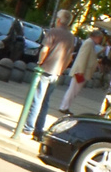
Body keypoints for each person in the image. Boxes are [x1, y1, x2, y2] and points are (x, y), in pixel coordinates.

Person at [26, 9, 76, 139]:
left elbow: (45, 49)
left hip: (46, 69)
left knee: (37, 99)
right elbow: (69, 57)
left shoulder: (53, 32)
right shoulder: (71, 37)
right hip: (56, 73)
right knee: (45, 102)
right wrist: (61, 69)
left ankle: (28, 127)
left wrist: (40, 62)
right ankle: (39, 128)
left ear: (59, 20)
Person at [61, 28, 106, 114]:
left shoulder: (90, 43)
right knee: (73, 90)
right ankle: (64, 107)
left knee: (73, 90)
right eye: (99, 38)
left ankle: (65, 106)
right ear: (95, 37)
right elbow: (83, 57)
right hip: (81, 72)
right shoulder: (89, 43)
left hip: (83, 71)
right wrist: (81, 71)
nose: (100, 41)